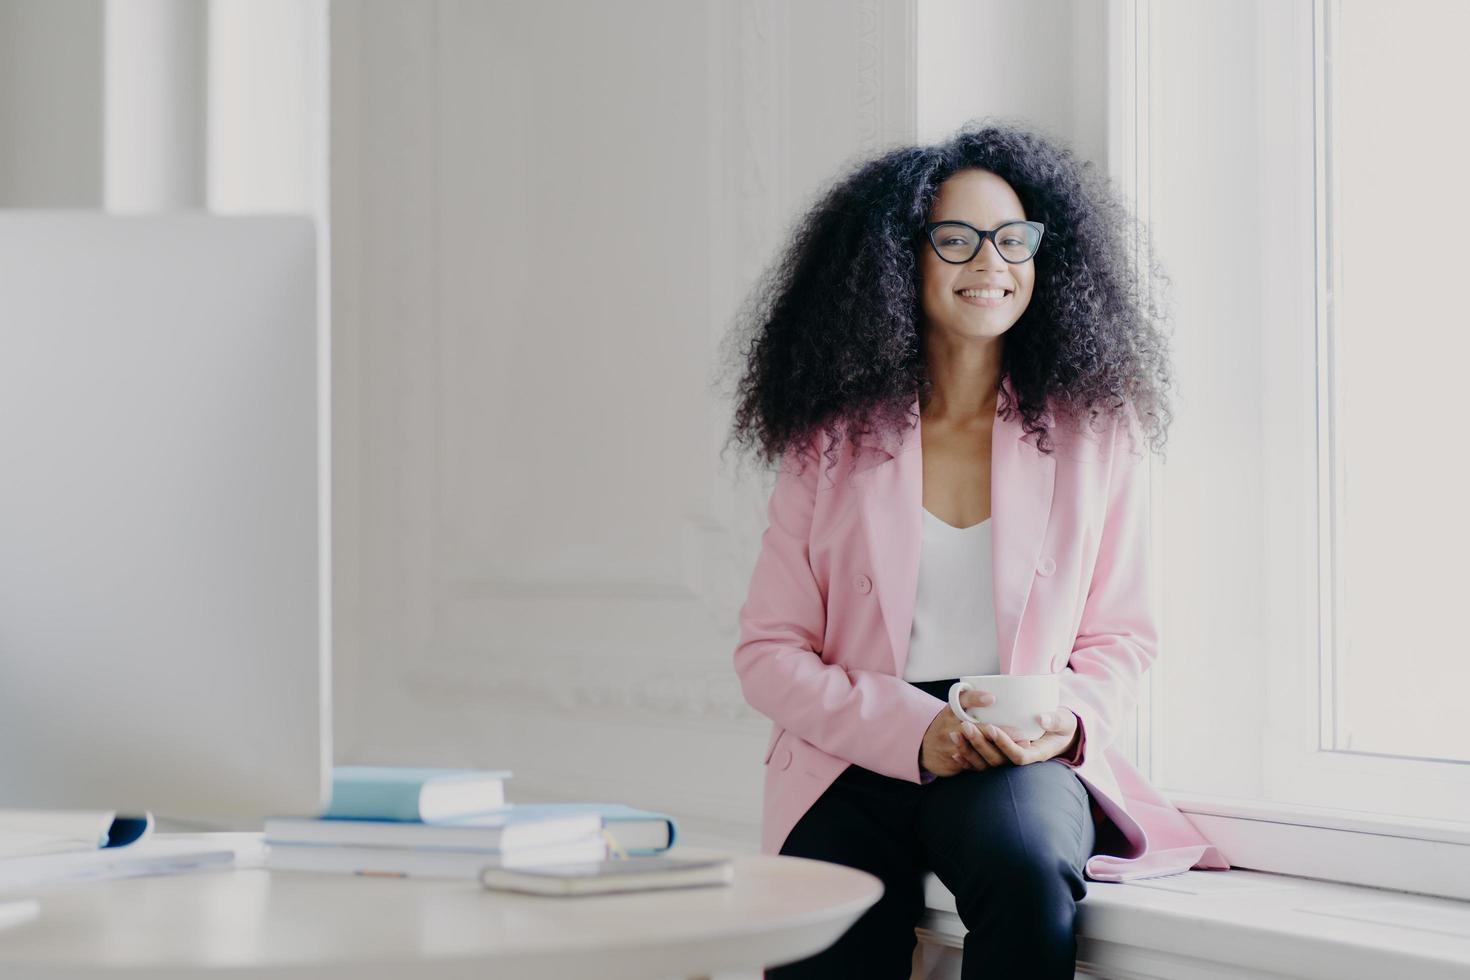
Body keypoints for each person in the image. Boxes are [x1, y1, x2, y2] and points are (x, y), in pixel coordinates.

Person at [720, 120, 1228, 979]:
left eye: (1012, 238)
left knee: (1027, 872)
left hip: (1013, 750)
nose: (990, 261)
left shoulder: (1096, 431)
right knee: (821, 930)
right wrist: (919, 733)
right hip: (854, 749)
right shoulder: (832, 439)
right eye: (955, 240)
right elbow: (767, 654)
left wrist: (1067, 721)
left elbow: (1122, 637)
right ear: (897, 262)